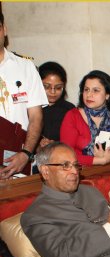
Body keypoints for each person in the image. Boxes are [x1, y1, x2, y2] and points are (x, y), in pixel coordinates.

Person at [0, 13, 48, 179]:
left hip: (20, 159)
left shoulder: (25, 67)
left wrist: (26, 153)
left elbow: (36, 117)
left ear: (4, 30)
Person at [60, 70, 110, 166]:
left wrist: (107, 156)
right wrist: (100, 160)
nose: (89, 95)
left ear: (107, 95)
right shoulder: (72, 116)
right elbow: (65, 155)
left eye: (95, 90)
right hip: (79, 172)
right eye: (86, 90)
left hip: (108, 170)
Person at [38, 62, 74, 148]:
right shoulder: (31, 108)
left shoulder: (70, 110)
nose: (53, 92)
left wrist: (57, 145)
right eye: (46, 87)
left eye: (58, 88)